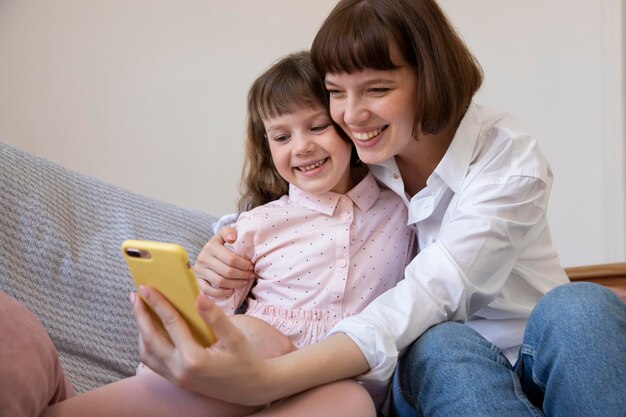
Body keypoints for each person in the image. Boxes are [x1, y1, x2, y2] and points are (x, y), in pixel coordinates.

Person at [136, 0, 626, 416]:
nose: (351, 114)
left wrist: (267, 380)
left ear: (430, 76)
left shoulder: (508, 160)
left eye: (377, 89)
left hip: (535, 355)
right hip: (440, 377)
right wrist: (221, 246)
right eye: (335, 92)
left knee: (580, 306)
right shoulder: (360, 156)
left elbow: (431, 294)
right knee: (440, 344)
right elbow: (294, 213)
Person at [0, 51, 413, 417]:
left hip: (335, 380)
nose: (301, 146)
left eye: (317, 127)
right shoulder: (256, 225)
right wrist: (161, 366)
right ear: (267, 146)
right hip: (244, 374)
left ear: (346, 126)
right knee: (260, 339)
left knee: (353, 404)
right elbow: (203, 309)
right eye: (282, 136)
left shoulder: (402, 208)